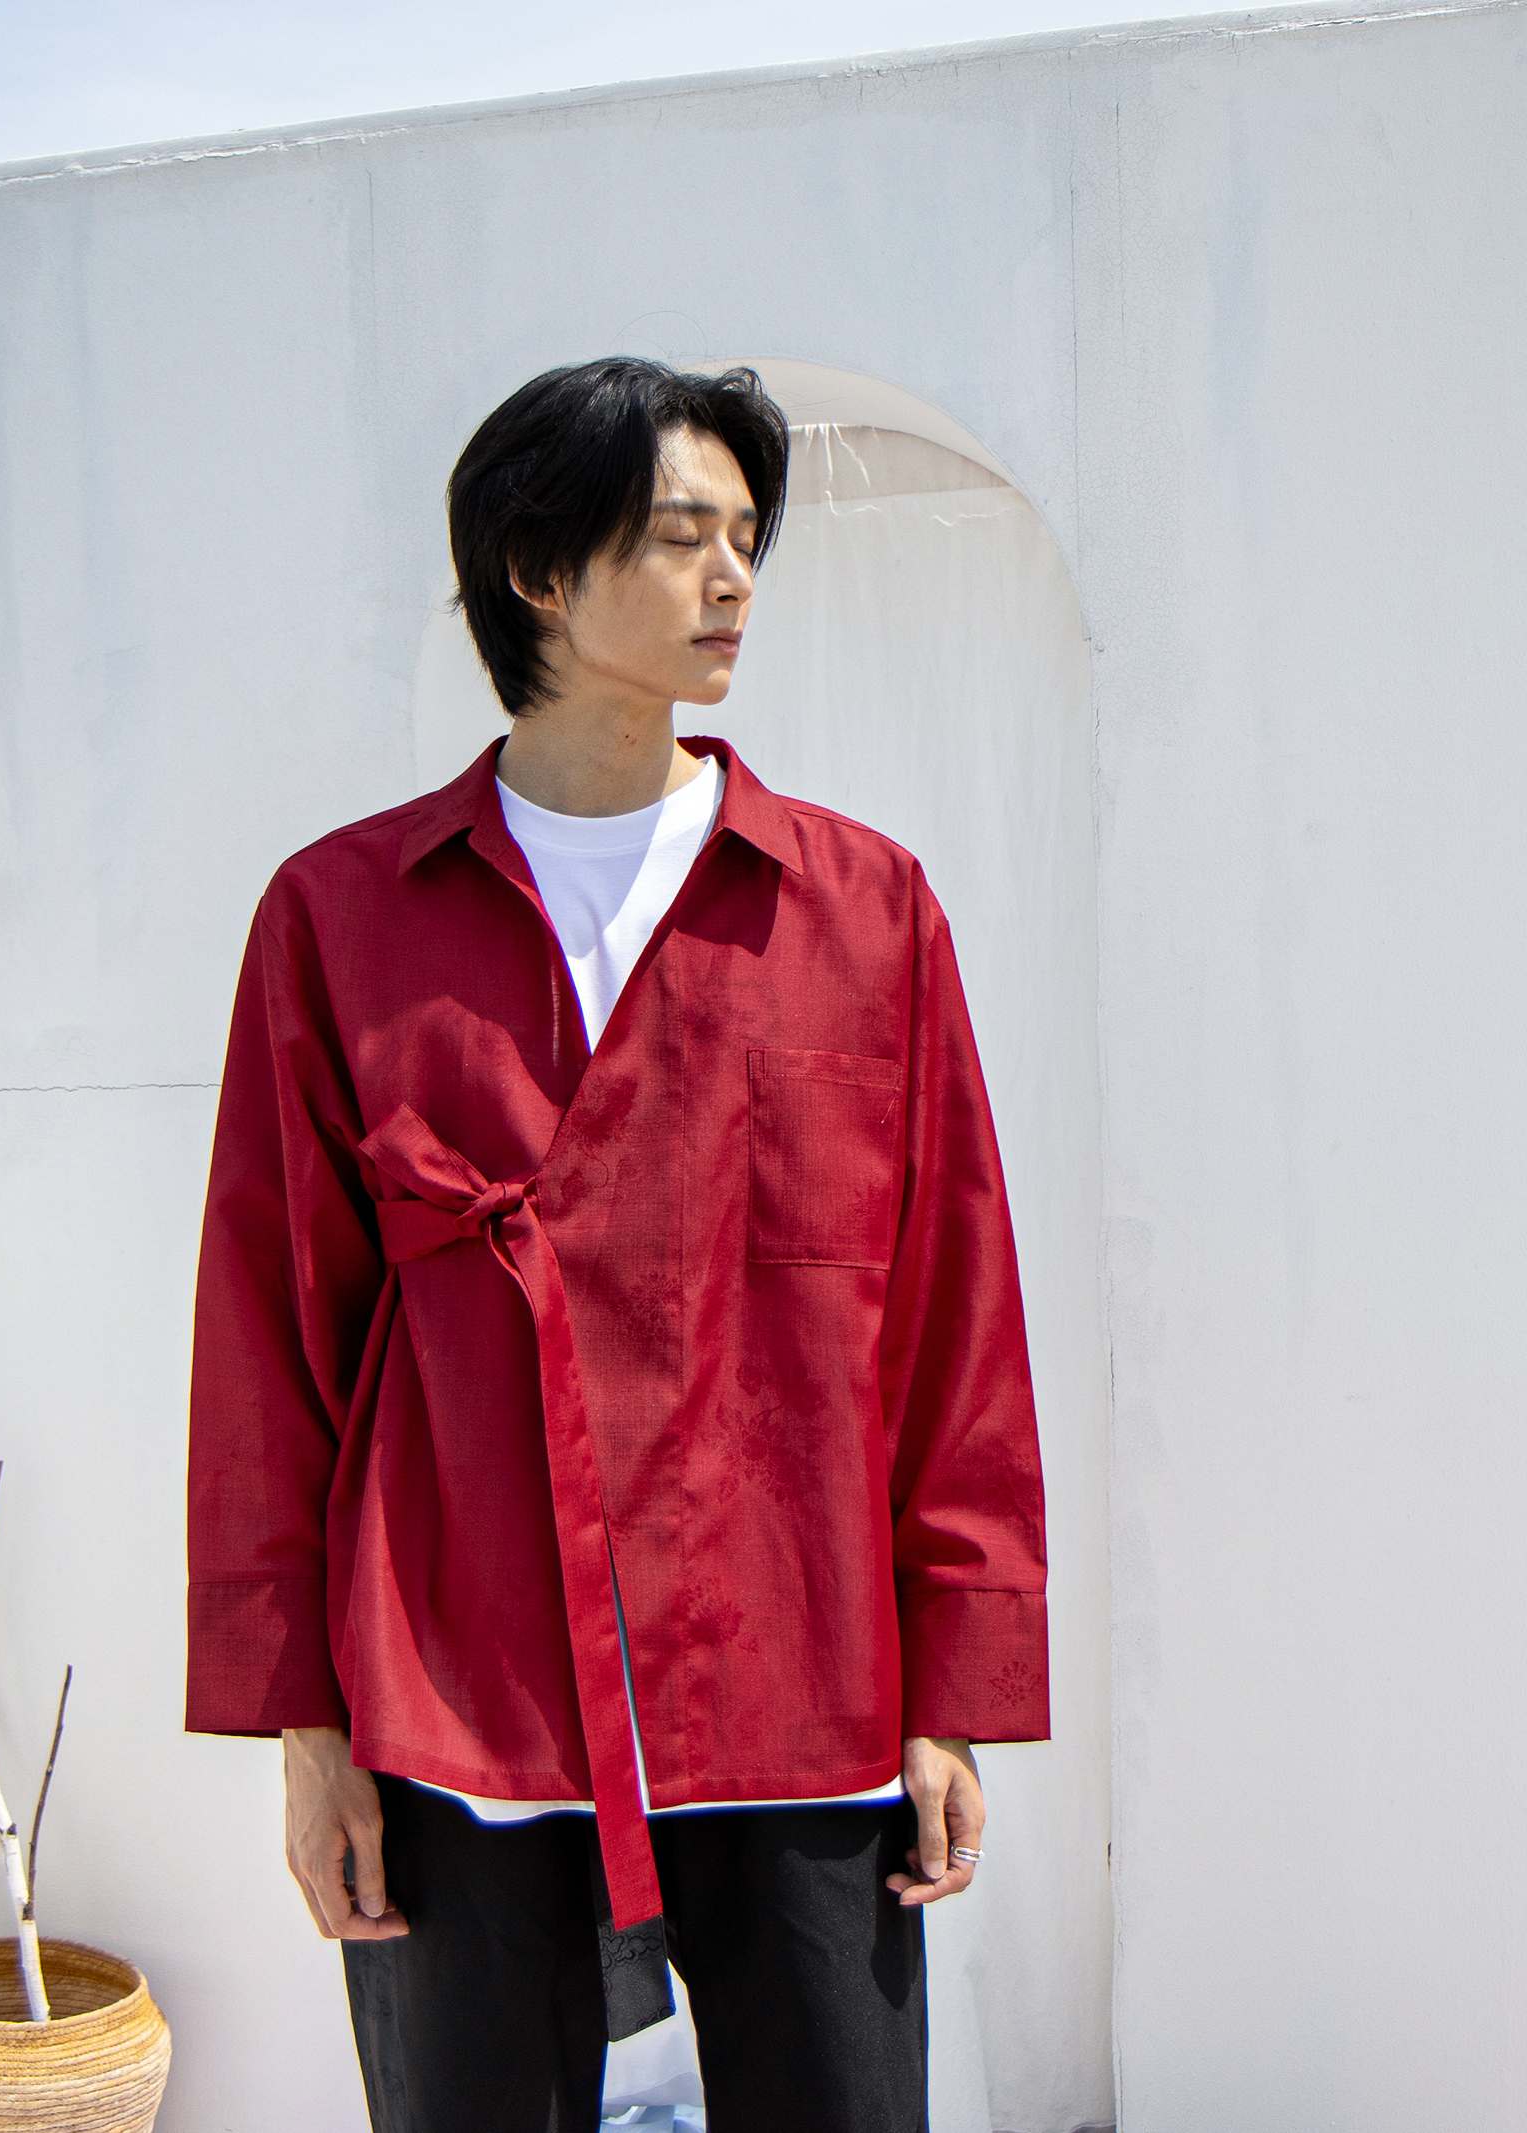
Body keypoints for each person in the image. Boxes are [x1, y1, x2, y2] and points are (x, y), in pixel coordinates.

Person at [186, 358, 1049, 2133]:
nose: (734, 578)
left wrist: (954, 1689)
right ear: (539, 572)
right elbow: (270, 1342)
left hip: (796, 1675)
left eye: (746, 539)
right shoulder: (343, 919)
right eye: (679, 537)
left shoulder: (860, 910)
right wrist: (305, 1728)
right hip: (460, 1695)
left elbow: (952, 1318)